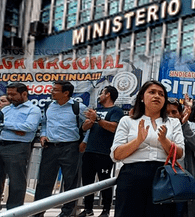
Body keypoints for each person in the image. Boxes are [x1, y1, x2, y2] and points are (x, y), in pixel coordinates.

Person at [110, 80, 185, 217]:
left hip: (163, 177)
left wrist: (164, 141)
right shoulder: (127, 121)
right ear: (141, 98)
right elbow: (116, 154)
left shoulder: (173, 122)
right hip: (132, 177)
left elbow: (179, 154)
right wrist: (138, 140)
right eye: (152, 92)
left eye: (161, 94)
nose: (157, 96)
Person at [34, 81, 88, 217]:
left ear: (66, 93)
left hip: (71, 147)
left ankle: (66, 213)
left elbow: (89, 125)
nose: (52, 92)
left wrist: (84, 142)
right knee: (44, 182)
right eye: (52, 89)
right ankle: (38, 212)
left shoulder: (78, 107)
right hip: (50, 148)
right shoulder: (48, 106)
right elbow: (45, 123)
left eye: (56, 90)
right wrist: (43, 135)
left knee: (70, 182)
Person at [77, 86, 124, 217]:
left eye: (102, 93)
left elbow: (114, 127)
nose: (99, 96)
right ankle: (87, 209)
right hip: (90, 151)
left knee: (104, 182)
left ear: (108, 94)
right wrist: (90, 122)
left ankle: (106, 210)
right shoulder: (96, 110)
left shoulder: (116, 111)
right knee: (87, 182)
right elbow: (85, 127)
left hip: (104, 152)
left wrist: (97, 119)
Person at [0, 83, 41, 209]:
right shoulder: (6, 109)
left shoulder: (33, 110)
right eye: (9, 94)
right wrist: (15, 128)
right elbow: (20, 129)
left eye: (13, 94)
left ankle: (14, 210)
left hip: (18, 147)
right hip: (1, 144)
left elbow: (28, 127)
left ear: (24, 94)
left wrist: (4, 125)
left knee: (16, 181)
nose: (10, 97)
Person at [167, 98, 195, 217]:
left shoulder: (191, 125)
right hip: (164, 178)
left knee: (184, 211)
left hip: (183, 179)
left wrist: (184, 125)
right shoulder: (158, 124)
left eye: (174, 112)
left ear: (180, 113)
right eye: (167, 113)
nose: (171, 116)